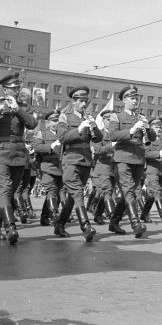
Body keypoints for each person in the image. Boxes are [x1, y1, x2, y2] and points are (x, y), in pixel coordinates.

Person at [0, 73, 37, 244]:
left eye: (17, 88)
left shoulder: (22, 107)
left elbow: (32, 124)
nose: (16, 91)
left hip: (19, 154)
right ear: (4, 90)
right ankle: (11, 227)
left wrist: (17, 109)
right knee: (4, 190)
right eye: (13, 88)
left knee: (9, 192)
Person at [109, 85, 157, 238]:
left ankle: (114, 222)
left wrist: (148, 128)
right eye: (132, 98)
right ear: (124, 100)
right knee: (129, 190)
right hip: (122, 158)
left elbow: (153, 138)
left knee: (127, 193)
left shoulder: (141, 117)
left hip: (138, 159)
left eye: (137, 98)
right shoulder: (116, 116)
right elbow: (113, 135)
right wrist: (131, 130)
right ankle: (135, 223)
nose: (135, 101)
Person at [57, 86, 103, 241]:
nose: (84, 104)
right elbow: (62, 138)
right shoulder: (65, 116)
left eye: (86, 101)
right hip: (70, 160)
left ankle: (60, 224)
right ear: (74, 102)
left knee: (72, 196)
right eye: (81, 101)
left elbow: (99, 138)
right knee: (77, 193)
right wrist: (79, 129)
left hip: (85, 161)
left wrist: (93, 126)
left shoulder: (88, 117)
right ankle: (86, 226)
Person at [90, 109, 126, 235]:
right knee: (108, 191)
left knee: (104, 192)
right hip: (103, 167)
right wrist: (112, 146)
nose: (109, 121)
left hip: (114, 167)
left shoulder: (117, 134)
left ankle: (98, 214)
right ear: (103, 120)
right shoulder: (99, 134)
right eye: (107, 119)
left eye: (112, 119)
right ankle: (112, 217)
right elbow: (97, 150)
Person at [33, 110, 64, 232]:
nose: (56, 123)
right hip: (47, 167)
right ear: (48, 122)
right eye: (54, 121)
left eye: (58, 121)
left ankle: (44, 217)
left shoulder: (62, 134)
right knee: (52, 191)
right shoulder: (42, 133)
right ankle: (55, 214)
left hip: (61, 168)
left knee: (59, 194)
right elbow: (37, 147)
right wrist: (50, 147)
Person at [141, 117, 162, 223]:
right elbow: (145, 153)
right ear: (151, 127)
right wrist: (160, 153)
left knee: (151, 196)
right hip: (151, 169)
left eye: (160, 127)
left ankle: (144, 214)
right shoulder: (147, 138)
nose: (158, 129)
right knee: (157, 192)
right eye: (156, 127)